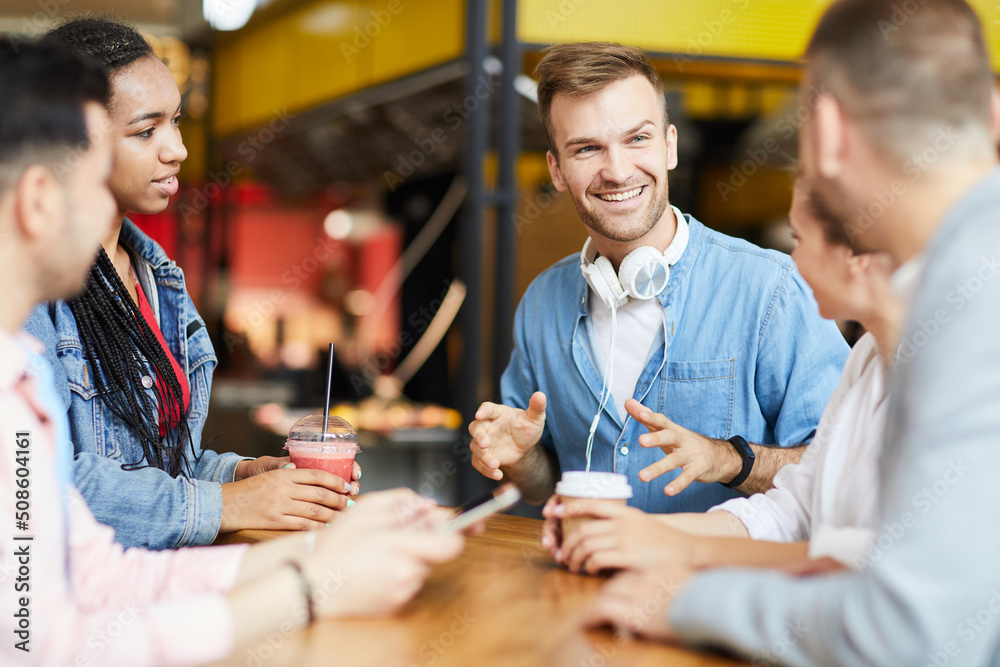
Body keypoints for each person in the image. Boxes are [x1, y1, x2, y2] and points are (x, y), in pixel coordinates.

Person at [0, 36, 467, 667]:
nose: (178, 149)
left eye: (178, 121)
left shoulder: (25, 374)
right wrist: (306, 586)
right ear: (36, 198)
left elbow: (103, 572)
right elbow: (47, 643)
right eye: (90, 177)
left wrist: (310, 543)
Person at [585, 1, 1000, 663]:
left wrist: (684, 600)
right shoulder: (931, 303)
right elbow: (835, 538)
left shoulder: (968, 304)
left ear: (829, 130)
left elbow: (914, 635)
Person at [469, 42, 849, 513]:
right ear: (557, 169)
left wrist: (729, 459)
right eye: (587, 148)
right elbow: (549, 485)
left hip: (718, 584)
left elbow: (844, 470)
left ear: (669, 145)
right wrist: (522, 461)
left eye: (637, 139)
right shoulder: (541, 303)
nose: (618, 170)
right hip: (585, 583)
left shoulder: (771, 290)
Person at [23, 17, 358, 550]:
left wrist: (242, 476)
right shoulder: (30, 288)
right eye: (145, 130)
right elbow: (41, 489)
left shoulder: (159, 281)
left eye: (175, 122)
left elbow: (165, 463)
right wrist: (229, 504)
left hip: (156, 580)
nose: (176, 148)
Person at [546, 178, 903, 574]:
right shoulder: (868, 359)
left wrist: (684, 579)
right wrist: (626, 534)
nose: (792, 263)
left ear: (855, 252)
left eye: (799, 240)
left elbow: (876, 567)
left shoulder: (954, 375)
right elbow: (794, 507)